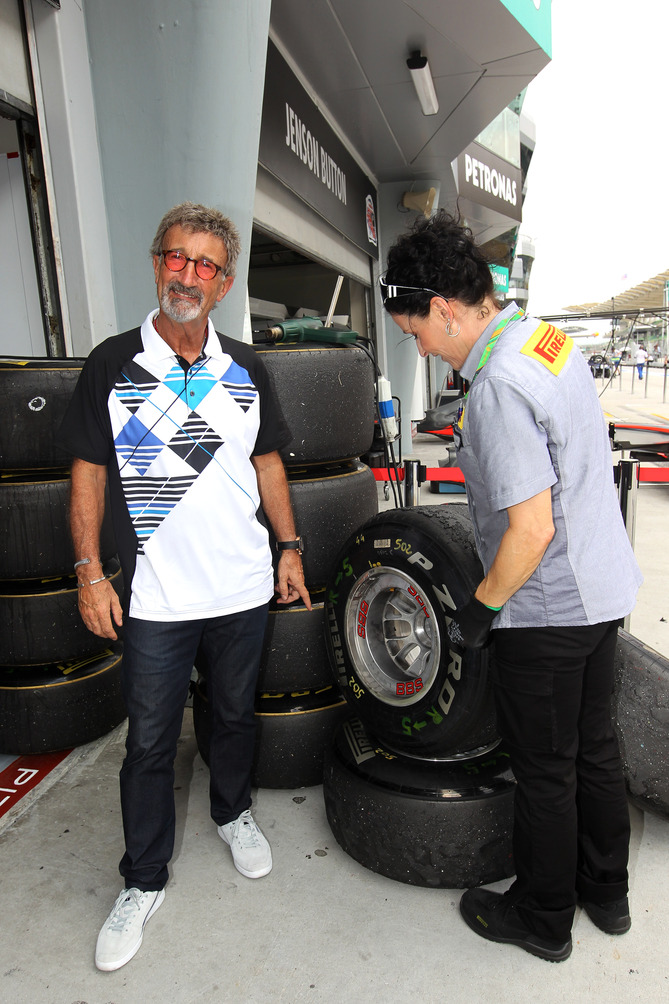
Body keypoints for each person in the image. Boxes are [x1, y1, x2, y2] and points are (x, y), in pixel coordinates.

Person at [381, 210, 642, 964]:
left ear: (443, 308)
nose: (420, 347)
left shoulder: (496, 387)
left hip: (547, 607)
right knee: (596, 749)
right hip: (602, 588)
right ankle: (607, 894)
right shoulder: (544, 340)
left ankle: (543, 917)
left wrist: (480, 610)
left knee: (545, 770)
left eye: (414, 331)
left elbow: (529, 531)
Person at [59, 202, 310, 972]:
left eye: (205, 265)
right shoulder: (111, 364)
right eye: (176, 257)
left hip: (241, 589)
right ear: (155, 263)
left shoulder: (247, 367)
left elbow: (267, 462)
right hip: (155, 600)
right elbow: (87, 475)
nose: (187, 275)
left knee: (232, 715)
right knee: (150, 743)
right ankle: (142, 878)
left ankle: (231, 812)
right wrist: (89, 573)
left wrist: (289, 547)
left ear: (225, 283)